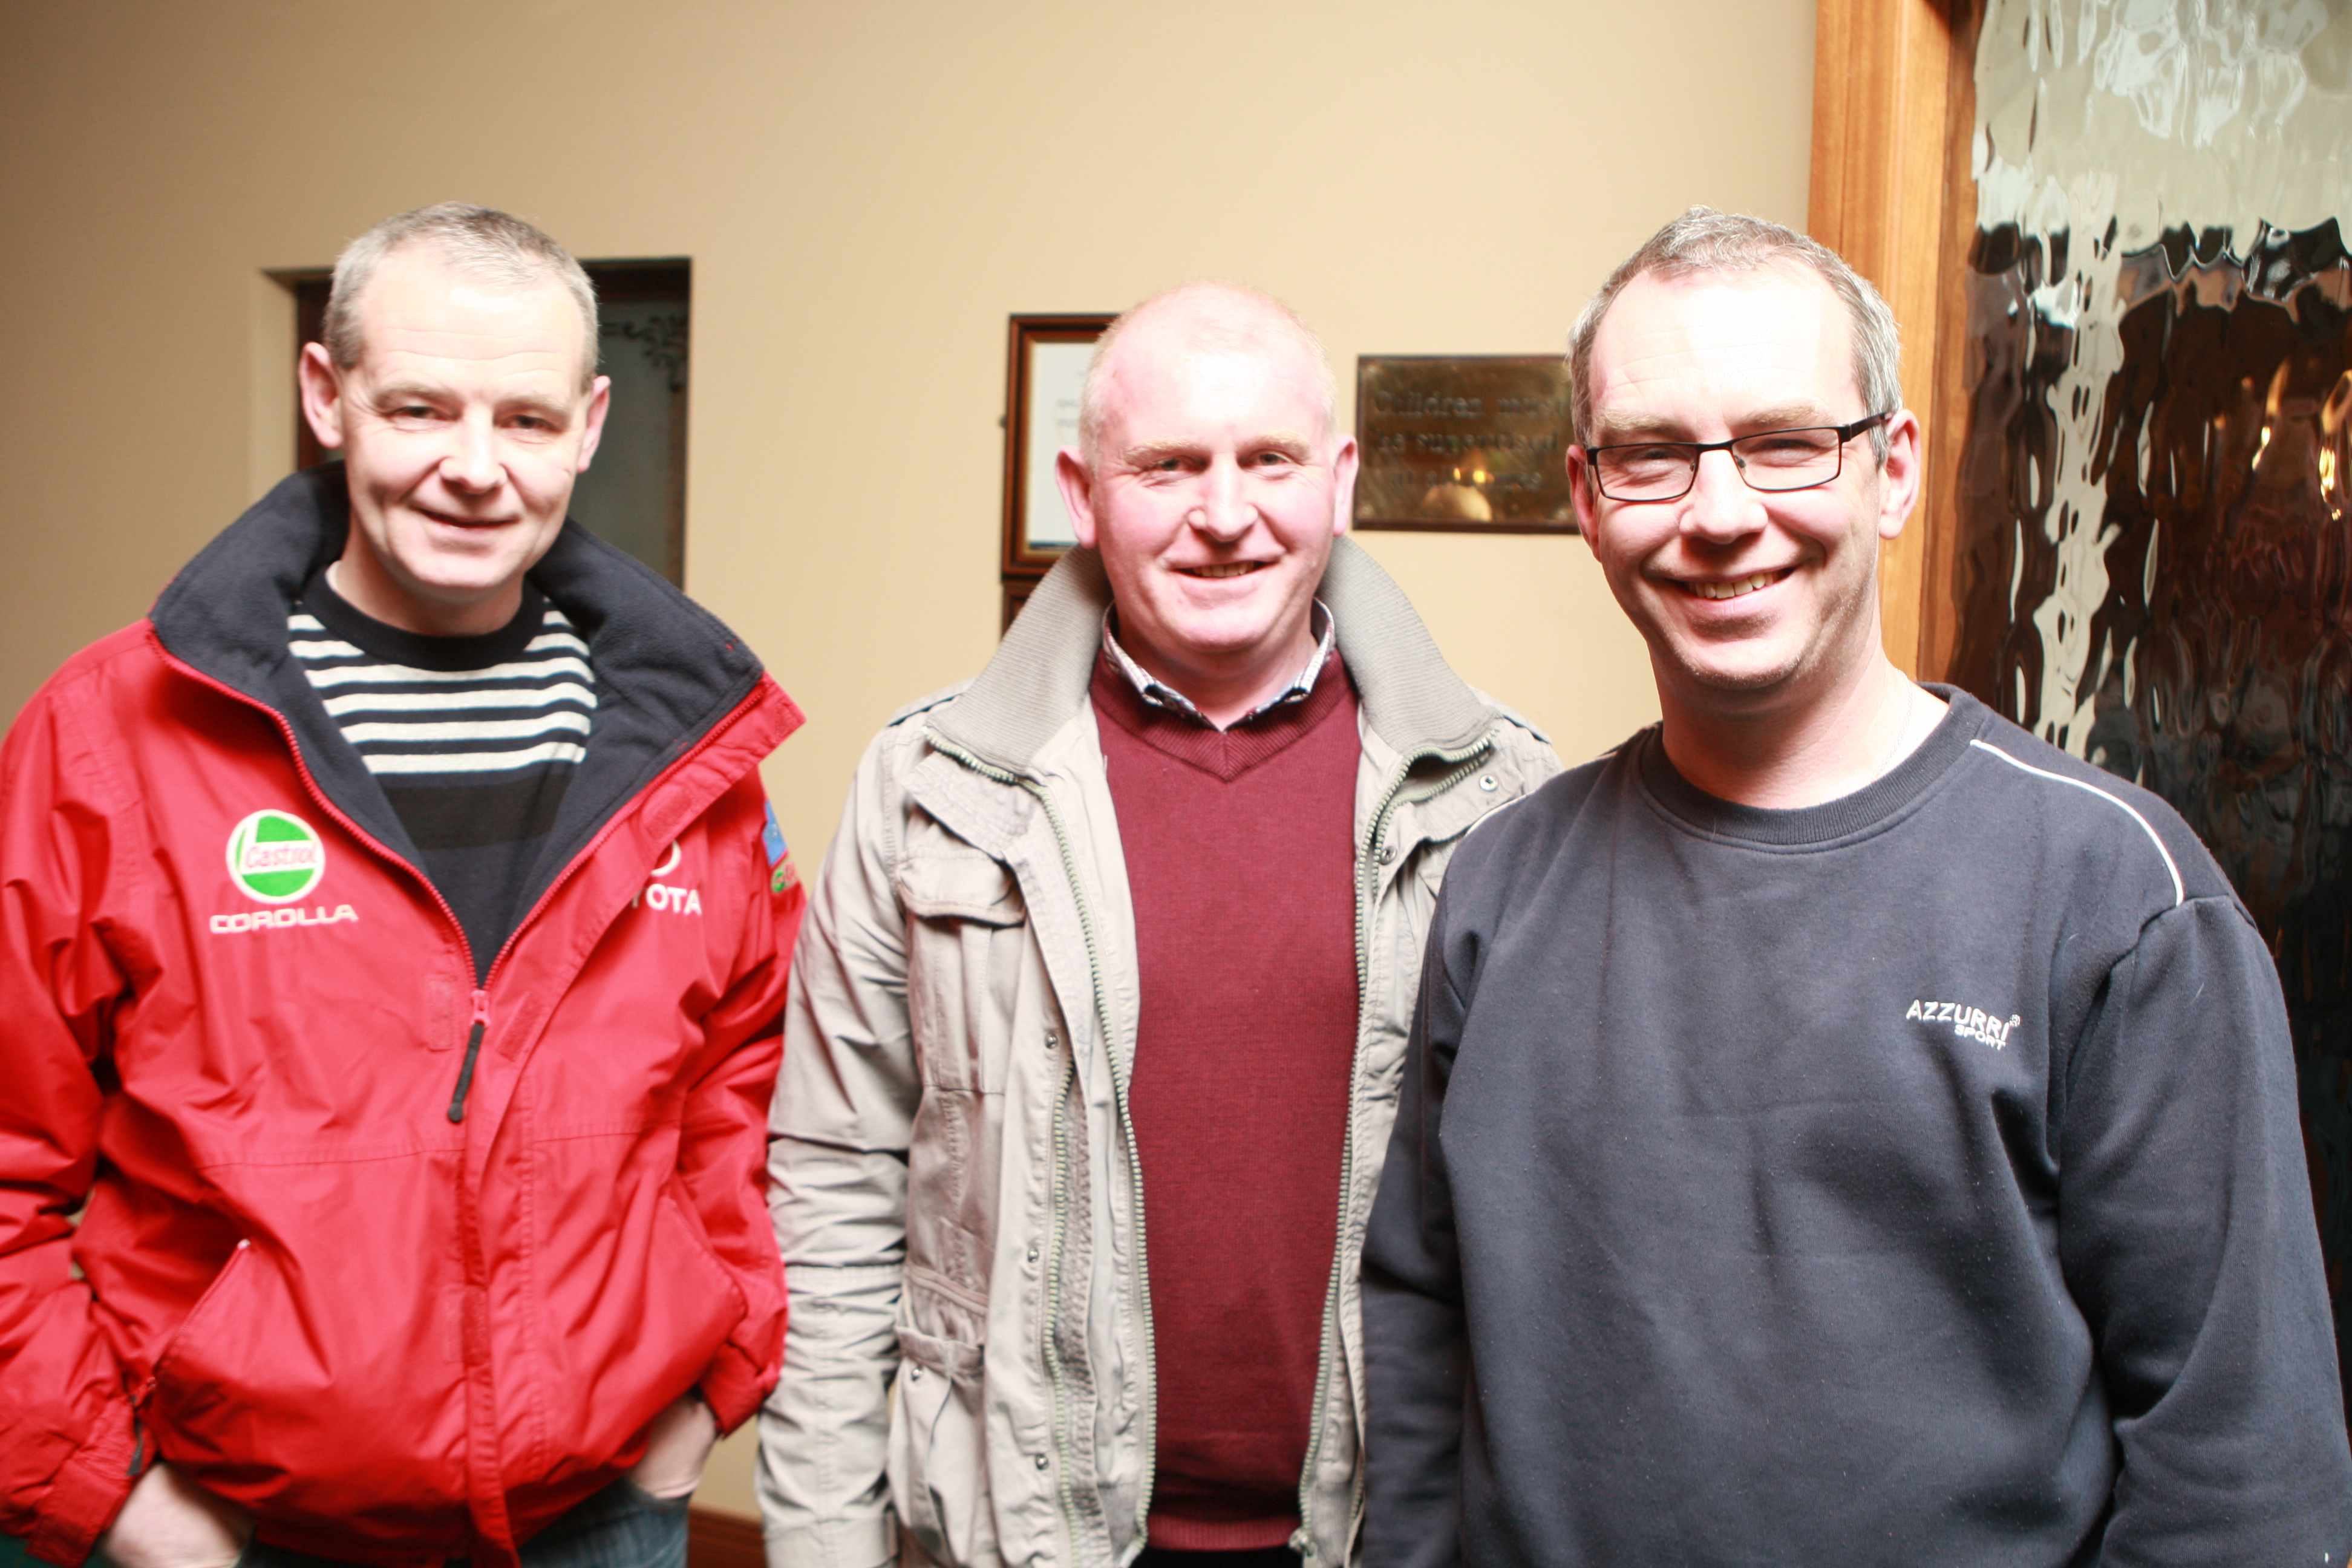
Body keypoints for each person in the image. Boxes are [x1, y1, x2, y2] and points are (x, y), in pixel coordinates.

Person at [1361, 206, 2352, 1566]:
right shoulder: (1502, 887)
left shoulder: (2119, 902)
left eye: (1783, 444)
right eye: (1654, 458)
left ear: (1891, 472)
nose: (1721, 515)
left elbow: (2241, 1473)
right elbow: (1420, 1340)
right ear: (1588, 503)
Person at [0, 203, 806, 1568]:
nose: (475, 470)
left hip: (601, 1515)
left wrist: (715, 1364)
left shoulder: (689, 744)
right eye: (422, 408)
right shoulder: (112, 735)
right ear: (329, 397)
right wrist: (111, 1491)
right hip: (230, 1522)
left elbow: (739, 1085)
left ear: (592, 425)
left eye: (529, 421)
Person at [758, 283, 1558, 1568]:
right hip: (1016, 1536)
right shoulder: (930, 790)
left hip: (1381, 1537)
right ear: (1083, 495)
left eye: (1270, 461)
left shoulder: (1499, 795)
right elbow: (833, 1194)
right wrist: (815, 1545)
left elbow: (1545, 1229)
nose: (1226, 515)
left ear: (1337, 477)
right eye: (1169, 466)